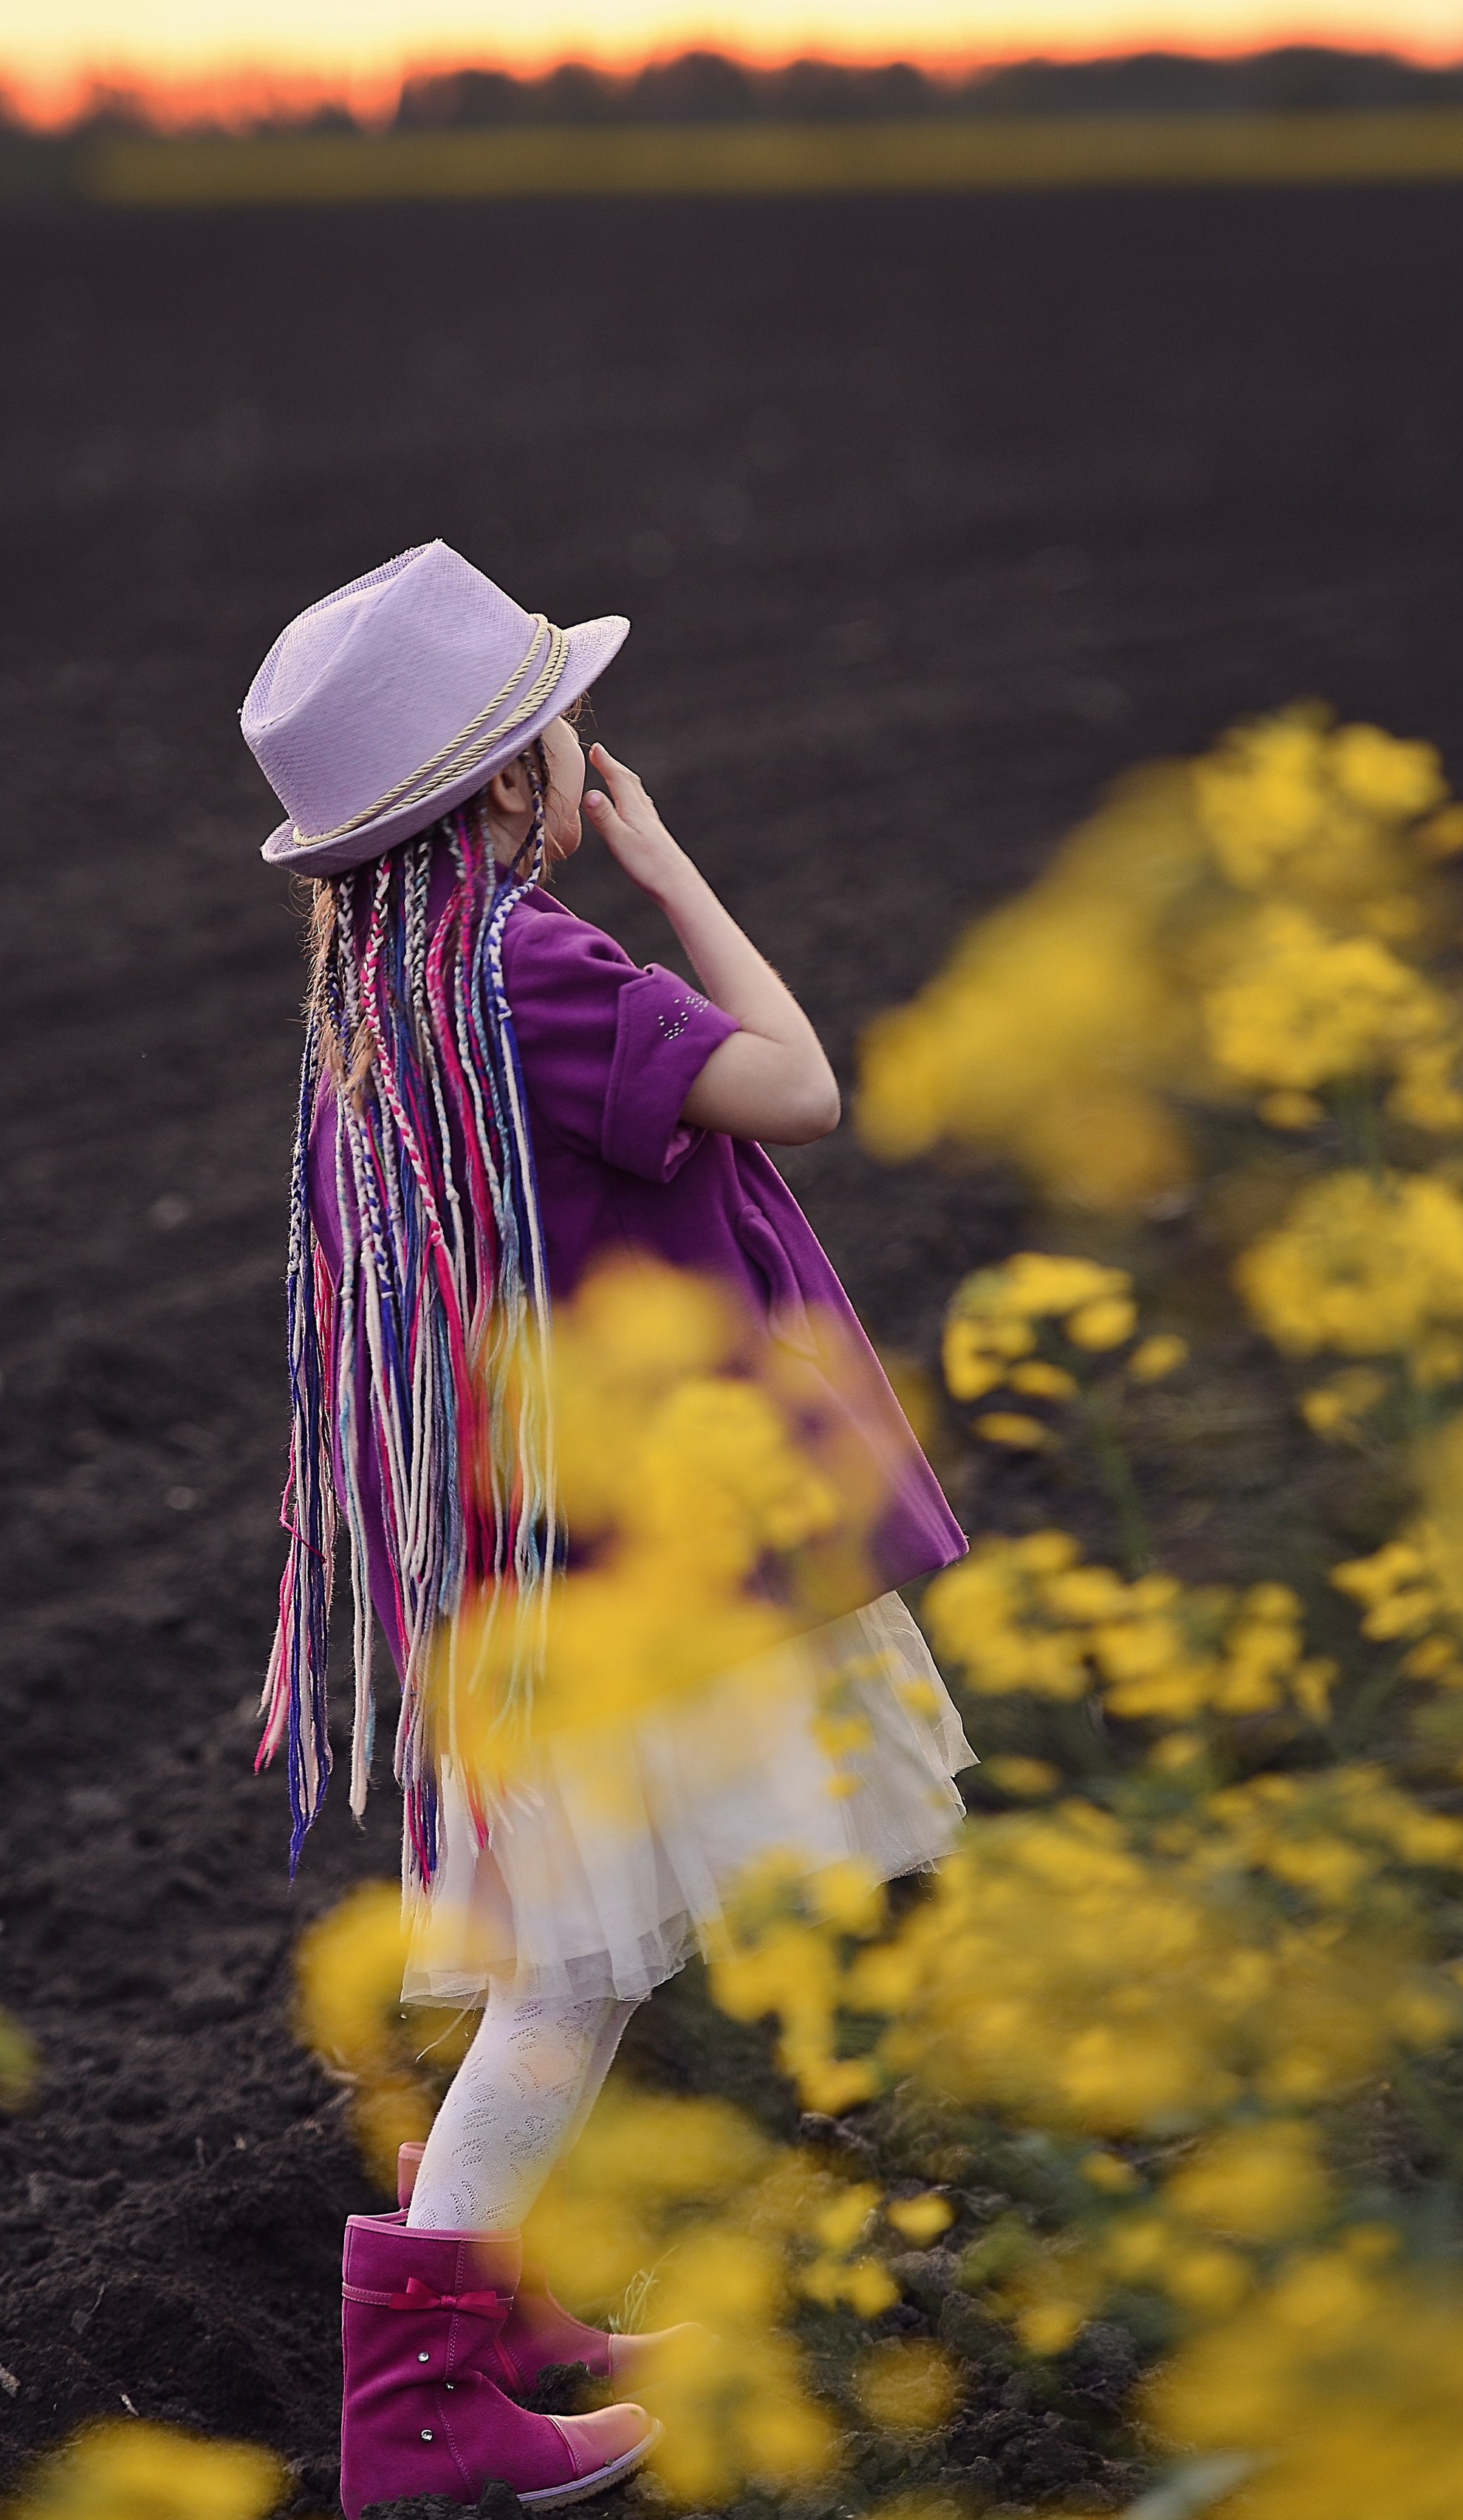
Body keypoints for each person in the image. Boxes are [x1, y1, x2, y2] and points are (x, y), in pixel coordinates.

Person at [240, 541, 971, 2517]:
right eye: (564, 730)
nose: (588, 751)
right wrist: (665, 867)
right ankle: (418, 2405)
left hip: (531, 1546)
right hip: (631, 1554)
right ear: (506, 783)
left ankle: (502, 2308)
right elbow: (804, 1086)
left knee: (577, 1956)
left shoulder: (387, 993)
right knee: (577, 1975)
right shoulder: (531, 969)